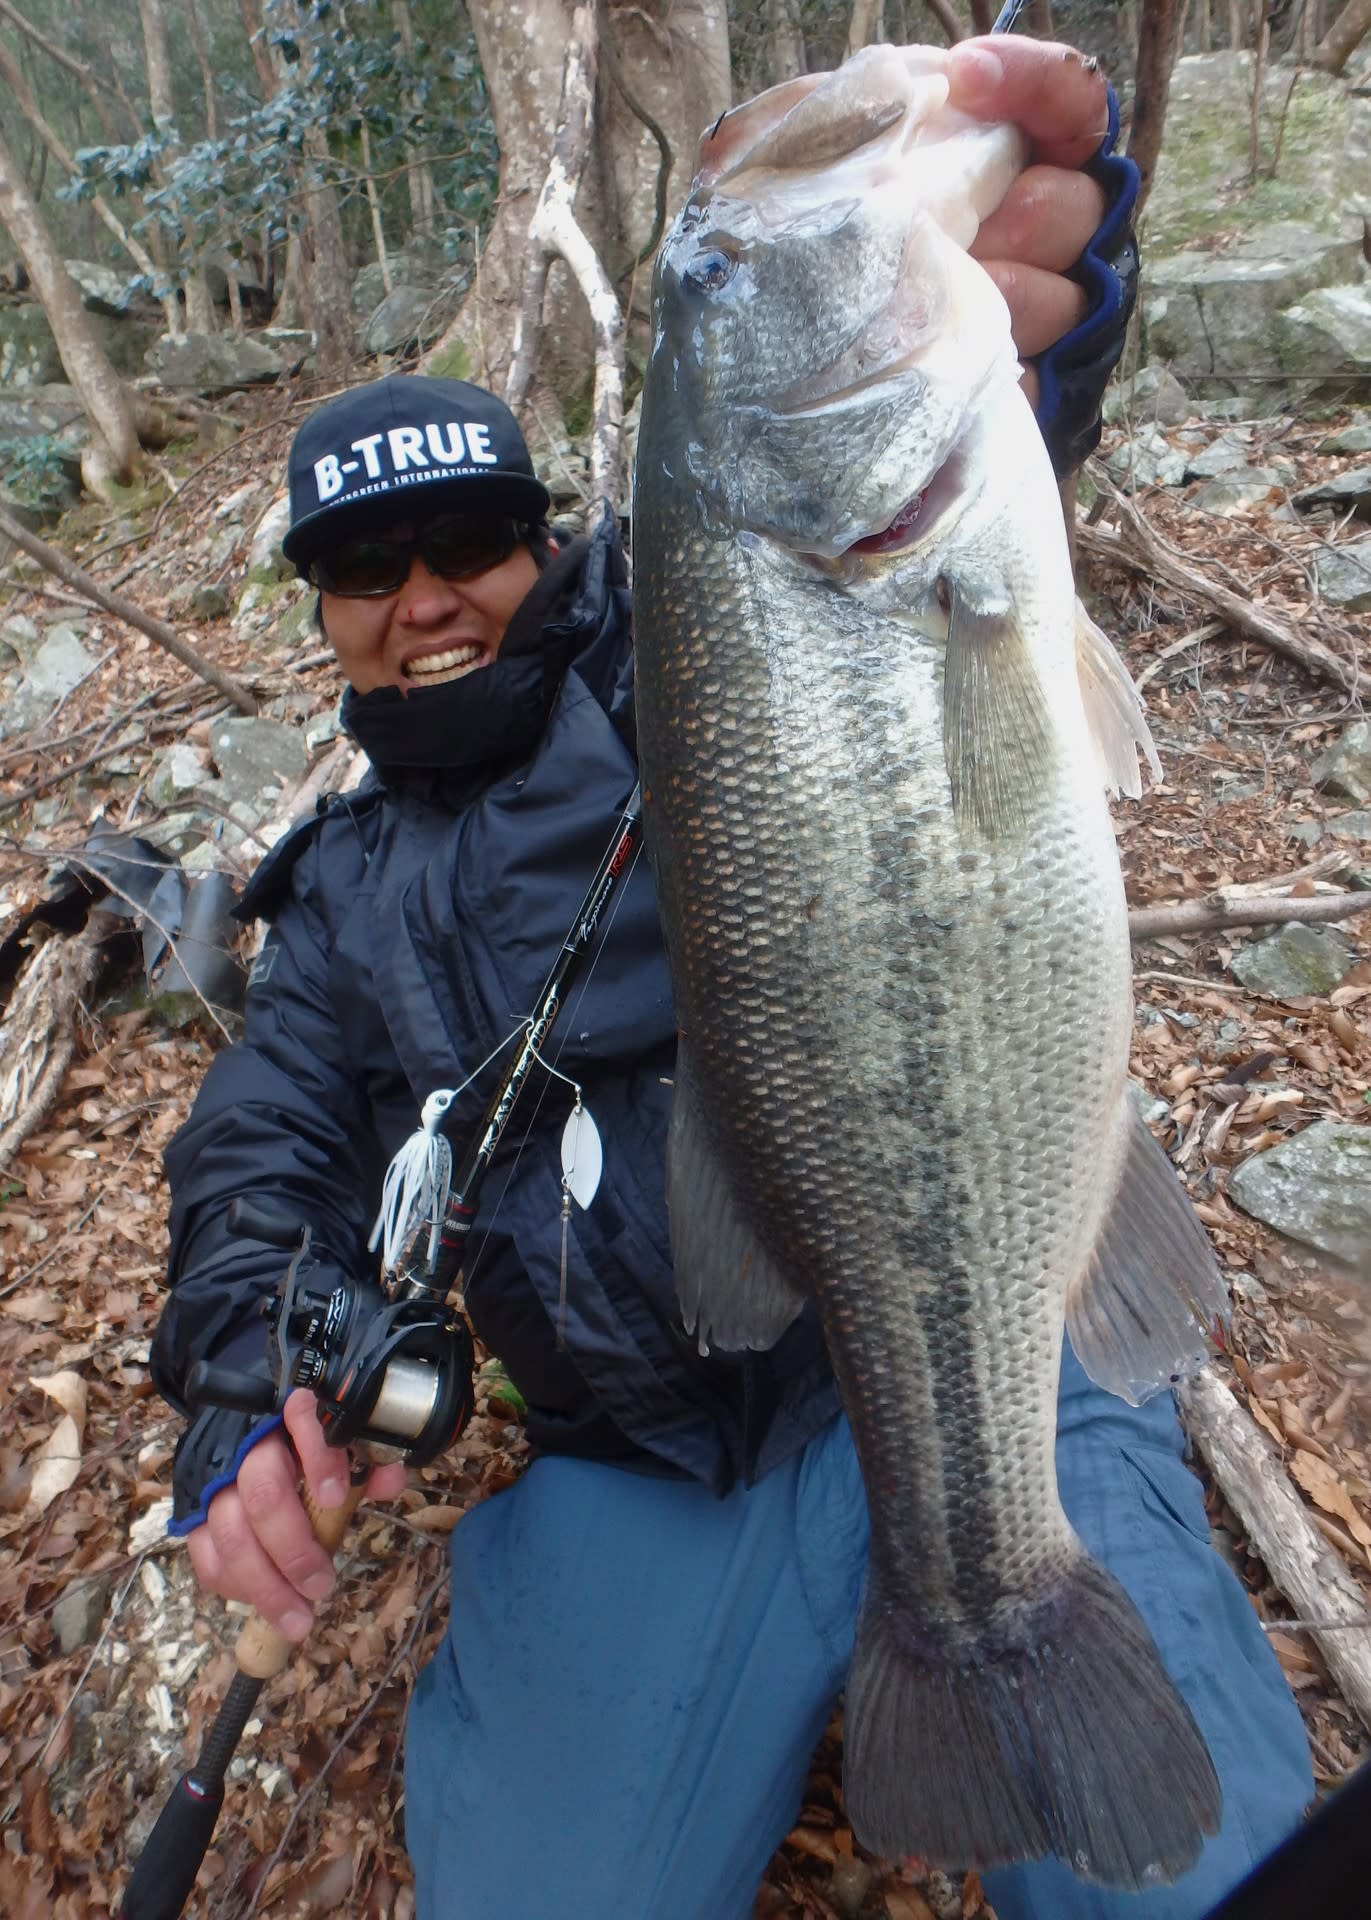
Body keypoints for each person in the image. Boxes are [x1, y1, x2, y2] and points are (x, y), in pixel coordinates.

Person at [149, 38, 1314, 1920]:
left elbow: (934, 491)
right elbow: (254, 1153)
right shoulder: (339, 901)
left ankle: (1006, 1586)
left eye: (468, 540)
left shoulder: (678, 638)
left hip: (966, 1348)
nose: (426, 594)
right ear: (323, 610)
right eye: (367, 564)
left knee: (1197, 1882)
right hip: (650, 1470)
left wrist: (1039, 347)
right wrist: (237, 1397)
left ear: (552, 543)